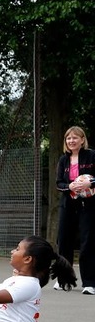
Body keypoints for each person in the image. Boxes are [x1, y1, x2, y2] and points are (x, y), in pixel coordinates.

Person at [55, 126, 95, 295]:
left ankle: (90, 283)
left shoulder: (92, 155)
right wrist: (69, 186)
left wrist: (90, 183)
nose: (71, 141)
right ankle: (63, 279)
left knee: (88, 242)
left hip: (89, 205)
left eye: (75, 138)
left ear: (82, 140)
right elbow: (58, 183)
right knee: (64, 241)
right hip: (68, 204)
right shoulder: (63, 160)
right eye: (68, 138)